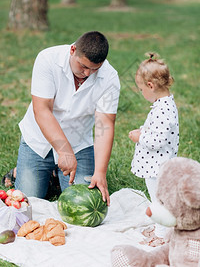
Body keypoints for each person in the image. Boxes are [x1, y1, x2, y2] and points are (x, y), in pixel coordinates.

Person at [14, 31, 120, 205]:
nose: (87, 73)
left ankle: (54, 176)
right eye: (83, 66)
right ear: (73, 50)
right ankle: (27, 172)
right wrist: (63, 151)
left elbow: (105, 124)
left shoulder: (110, 77)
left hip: (78, 144)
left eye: (94, 69)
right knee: (28, 202)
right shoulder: (48, 59)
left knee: (84, 204)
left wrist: (100, 172)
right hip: (37, 142)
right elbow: (42, 110)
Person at [129, 52, 179, 246]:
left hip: (157, 167)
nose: (141, 93)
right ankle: (159, 227)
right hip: (155, 164)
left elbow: (157, 139)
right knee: (156, 197)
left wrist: (139, 136)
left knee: (159, 201)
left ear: (150, 86)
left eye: (141, 89)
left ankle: (161, 234)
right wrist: (143, 130)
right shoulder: (163, 104)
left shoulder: (164, 109)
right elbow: (157, 130)